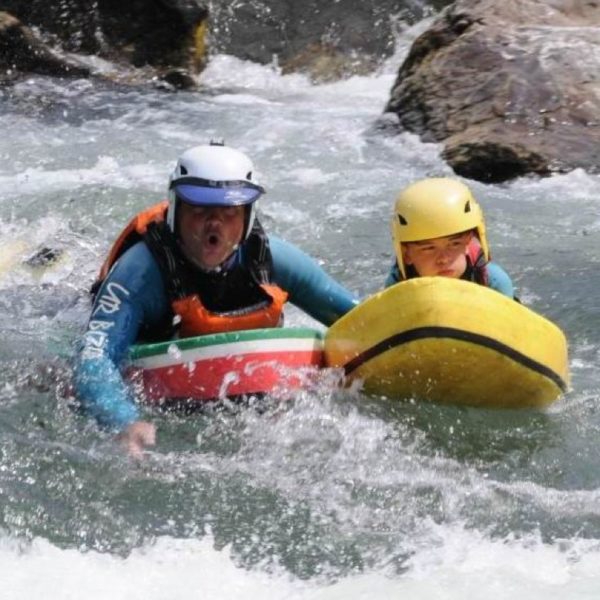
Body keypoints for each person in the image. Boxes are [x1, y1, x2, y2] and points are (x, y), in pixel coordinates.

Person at [74, 142, 358, 457]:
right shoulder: (138, 275)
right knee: (59, 382)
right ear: (176, 211)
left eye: (229, 212)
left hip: (232, 387)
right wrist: (123, 421)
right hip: (153, 364)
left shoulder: (274, 260)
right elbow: (94, 360)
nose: (214, 225)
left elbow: (356, 318)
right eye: (199, 210)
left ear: (248, 216)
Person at [386, 177, 515, 298]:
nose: (443, 259)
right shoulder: (398, 286)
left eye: (454, 244)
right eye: (429, 248)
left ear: (468, 243)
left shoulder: (493, 281)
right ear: (406, 254)